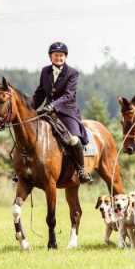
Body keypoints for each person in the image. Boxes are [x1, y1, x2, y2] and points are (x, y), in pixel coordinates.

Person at [32, 41, 92, 182]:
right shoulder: (45, 71)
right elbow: (40, 93)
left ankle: (81, 170)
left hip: (67, 112)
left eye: (61, 55)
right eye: (55, 55)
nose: (58, 58)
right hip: (48, 112)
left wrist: (53, 105)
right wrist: (29, 107)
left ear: (65, 57)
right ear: (50, 57)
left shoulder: (72, 73)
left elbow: (69, 95)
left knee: (73, 139)